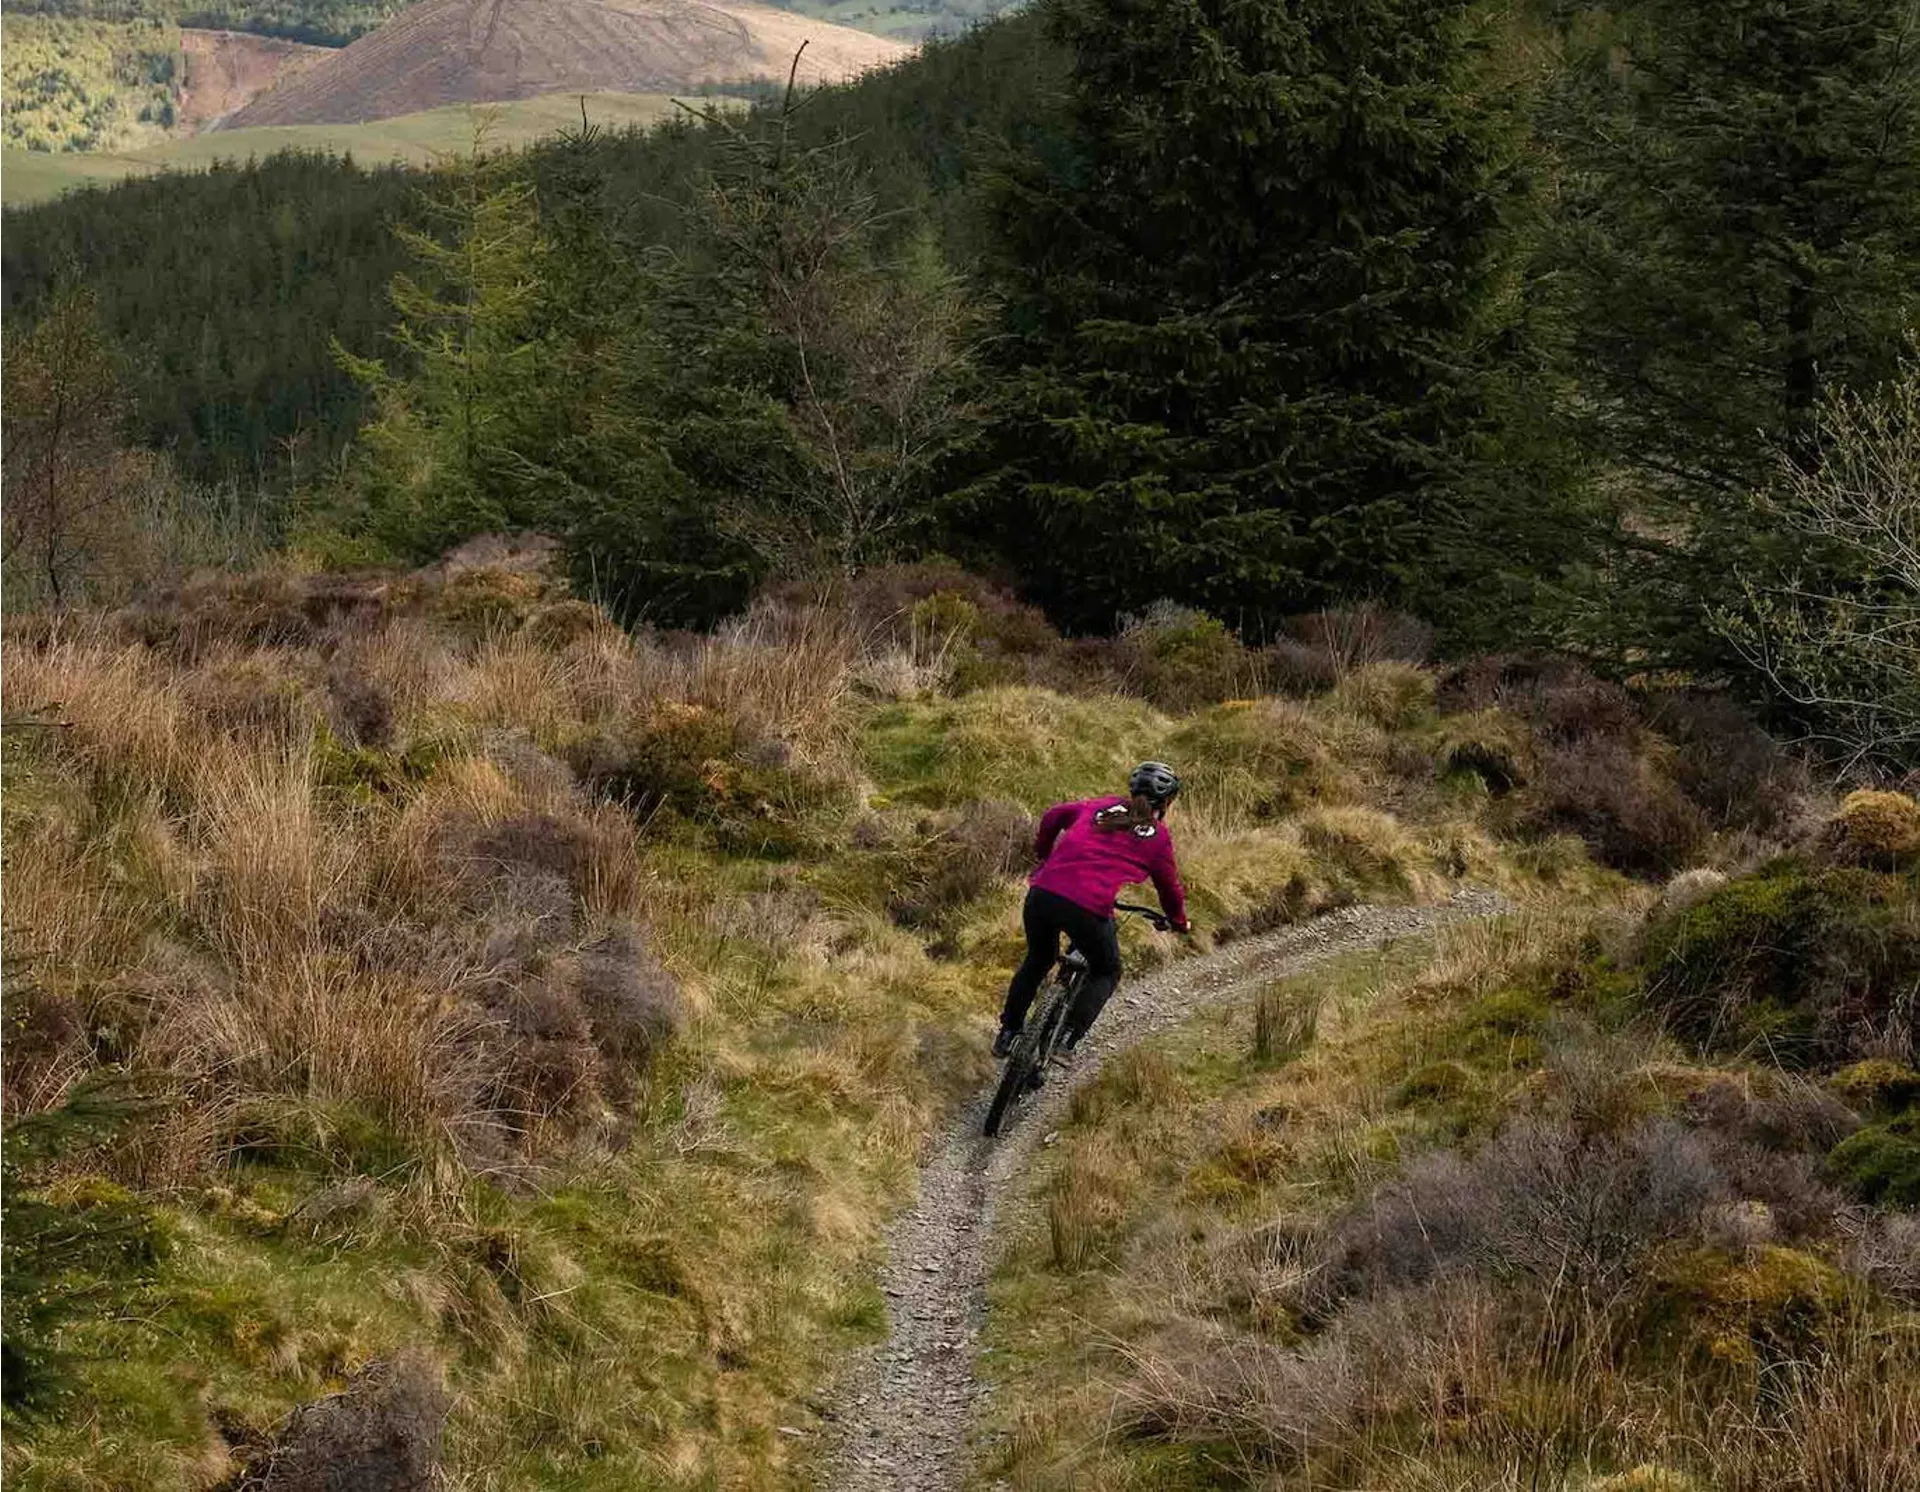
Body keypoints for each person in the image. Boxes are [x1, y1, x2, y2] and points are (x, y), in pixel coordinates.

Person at [994, 761, 1191, 1060]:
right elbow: (1169, 889)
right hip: (1088, 907)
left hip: (1042, 893)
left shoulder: (1102, 806)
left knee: (1039, 957)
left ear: (1132, 790)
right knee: (1107, 970)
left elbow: (1053, 815)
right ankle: (1066, 1039)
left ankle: (1008, 1031)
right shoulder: (1157, 837)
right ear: (1167, 803)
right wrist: (1178, 921)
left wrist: (1045, 856)